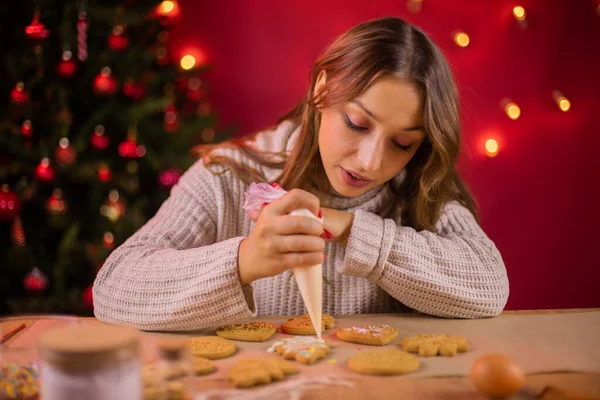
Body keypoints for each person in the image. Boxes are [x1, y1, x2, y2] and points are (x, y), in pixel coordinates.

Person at [93, 17, 509, 331]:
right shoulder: (230, 174)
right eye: (357, 123)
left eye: (402, 143)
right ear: (321, 89)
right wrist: (243, 262)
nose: (369, 161)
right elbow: (113, 291)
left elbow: (488, 287)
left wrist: (351, 229)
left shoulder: (419, 185)